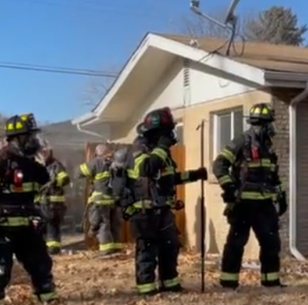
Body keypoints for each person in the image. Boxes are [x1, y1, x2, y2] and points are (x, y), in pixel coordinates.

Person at [0, 114, 58, 305]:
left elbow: (43, 185)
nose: (34, 141)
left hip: (27, 226)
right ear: (17, 138)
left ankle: (48, 296)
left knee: (41, 263)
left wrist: (44, 161)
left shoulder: (31, 165)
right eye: (29, 136)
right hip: (0, 227)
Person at [118, 107, 207, 295]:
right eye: (166, 132)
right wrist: (162, 147)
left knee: (170, 247)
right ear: (156, 132)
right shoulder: (138, 149)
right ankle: (147, 289)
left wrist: (195, 175)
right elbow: (147, 169)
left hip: (163, 210)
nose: (170, 136)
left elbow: (170, 178)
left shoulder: (161, 153)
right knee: (147, 252)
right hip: (144, 212)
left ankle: (170, 283)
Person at [212, 102, 285, 289]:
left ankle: (271, 282)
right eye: (270, 124)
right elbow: (219, 165)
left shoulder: (268, 148)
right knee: (236, 244)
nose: (272, 128)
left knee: (271, 244)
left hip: (265, 205)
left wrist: (281, 194)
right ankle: (229, 282)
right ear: (262, 124)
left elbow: (273, 175)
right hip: (243, 204)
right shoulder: (240, 142)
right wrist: (229, 188)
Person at [79, 143, 124, 256]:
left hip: (101, 200)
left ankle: (106, 249)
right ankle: (116, 247)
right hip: (114, 200)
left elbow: (80, 173)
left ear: (98, 153)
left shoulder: (97, 162)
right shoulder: (116, 163)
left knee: (103, 224)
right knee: (115, 224)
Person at [36, 145, 71, 254]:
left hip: (53, 203)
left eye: (45, 152)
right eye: (41, 152)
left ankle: (53, 248)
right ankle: (40, 247)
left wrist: (55, 181)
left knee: (52, 225)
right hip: (39, 203)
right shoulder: (35, 166)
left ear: (50, 152)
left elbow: (64, 179)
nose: (43, 154)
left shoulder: (56, 165)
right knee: (39, 226)